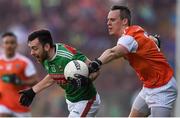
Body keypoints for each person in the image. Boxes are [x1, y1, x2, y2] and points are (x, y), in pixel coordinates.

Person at [88, 5, 177, 117]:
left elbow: (113, 52)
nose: (108, 23)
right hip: (149, 87)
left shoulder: (129, 37)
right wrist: (155, 41)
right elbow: (148, 39)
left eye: (113, 20)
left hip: (162, 88)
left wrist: (97, 63)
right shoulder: (135, 30)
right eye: (108, 20)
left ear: (124, 21)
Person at [19, 29, 101, 117]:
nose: (32, 53)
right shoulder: (44, 57)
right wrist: (33, 91)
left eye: (35, 48)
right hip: (71, 101)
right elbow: (53, 76)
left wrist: (86, 80)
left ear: (46, 47)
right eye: (31, 48)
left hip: (87, 100)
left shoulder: (68, 56)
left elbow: (96, 70)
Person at [0, 32, 38, 117]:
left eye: (12, 43)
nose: (9, 45)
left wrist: (21, 82)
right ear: (2, 45)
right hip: (3, 104)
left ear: (16, 45)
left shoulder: (24, 62)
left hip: (21, 105)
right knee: (3, 115)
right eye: (6, 43)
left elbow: (35, 81)